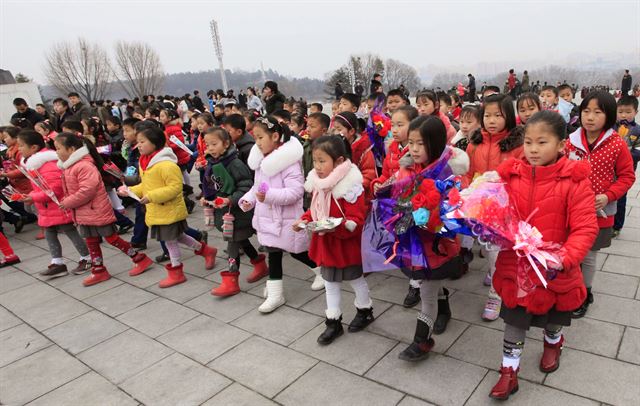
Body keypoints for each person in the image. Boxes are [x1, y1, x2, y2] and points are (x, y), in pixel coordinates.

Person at [489, 110, 599, 400]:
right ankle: (508, 371)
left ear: (562, 144)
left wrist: (565, 257)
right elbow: (496, 213)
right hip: (518, 266)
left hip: (554, 268)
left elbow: (585, 227)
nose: (533, 149)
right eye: (528, 142)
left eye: (542, 142)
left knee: (553, 318)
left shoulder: (574, 182)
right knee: (514, 320)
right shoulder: (511, 175)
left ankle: (553, 342)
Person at [394, 116, 465, 361]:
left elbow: (454, 213)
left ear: (434, 144)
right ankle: (444, 310)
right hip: (415, 242)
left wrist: (430, 216)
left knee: (426, 290)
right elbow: (397, 195)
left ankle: (421, 341)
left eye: (420, 144)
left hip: (438, 244)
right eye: (411, 143)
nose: (413, 149)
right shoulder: (406, 167)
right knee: (430, 282)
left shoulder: (446, 173)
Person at [294, 136, 373, 344]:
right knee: (330, 282)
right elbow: (314, 211)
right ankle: (333, 321)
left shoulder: (350, 186)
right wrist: (303, 220)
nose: (317, 166)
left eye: (322, 161)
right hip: (326, 243)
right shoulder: (319, 183)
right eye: (315, 161)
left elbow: (356, 219)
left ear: (338, 161)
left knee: (356, 279)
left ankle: (365, 310)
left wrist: (338, 225)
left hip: (345, 243)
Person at [118, 126, 217, 288]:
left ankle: (176, 271)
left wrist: (151, 197)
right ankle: (206, 250)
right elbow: (146, 186)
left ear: (155, 143)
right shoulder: (146, 163)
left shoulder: (166, 164)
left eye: (143, 142)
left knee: (170, 241)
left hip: (168, 209)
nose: (139, 145)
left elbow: (175, 188)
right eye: (138, 142)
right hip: (158, 209)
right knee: (178, 237)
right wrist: (129, 191)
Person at [565, 91, 636, 318]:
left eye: (598, 112)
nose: (590, 117)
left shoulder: (617, 144)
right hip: (572, 208)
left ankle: (586, 293)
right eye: (586, 111)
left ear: (609, 116)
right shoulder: (571, 141)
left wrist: (608, 195)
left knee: (589, 255)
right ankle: (572, 288)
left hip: (600, 211)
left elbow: (627, 177)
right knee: (573, 252)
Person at [239, 116, 319, 313]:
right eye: (255, 138)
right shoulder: (262, 161)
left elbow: (295, 192)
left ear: (275, 136)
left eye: (260, 138)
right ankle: (276, 293)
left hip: (287, 219)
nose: (256, 143)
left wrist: (268, 196)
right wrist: (249, 199)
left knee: (297, 251)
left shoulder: (289, 162)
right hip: (268, 218)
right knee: (273, 254)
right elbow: (258, 187)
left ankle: (321, 272)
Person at [54, 132, 153, 286]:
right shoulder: (70, 167)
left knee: (112, 238)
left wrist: (69, 202)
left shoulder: (84, 165)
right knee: (91, 241)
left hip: (96, 210)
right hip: (84, 212)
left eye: (58, 148)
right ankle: (99, 270)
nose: (56, 152)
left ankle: (140, 259)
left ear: (71, 149)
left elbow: (87, 190)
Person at [464, 93, 525, 321]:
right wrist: (468, 190)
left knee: (497, 251)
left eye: (498, 115)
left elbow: (522, 176)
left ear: (508, 116)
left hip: (505, 208)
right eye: (487, 115)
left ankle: (495, 295)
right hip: (480, 207)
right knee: (490, 249)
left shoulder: (517, 145)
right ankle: (495, 275)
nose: (491, 120)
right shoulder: (475, 142)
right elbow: (467, 173)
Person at [200, 127, 267, 296]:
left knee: (232, 244)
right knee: (241, 240)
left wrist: (230, 199)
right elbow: (211, 185)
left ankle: (231, 280)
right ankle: (259, 263)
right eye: (208, 144)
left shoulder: (234, 163)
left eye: (214, 144)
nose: (210, 148)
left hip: (237, 212)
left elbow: (246, 186)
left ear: (226, 143)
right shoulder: (212, 163)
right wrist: (206, 197)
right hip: (223, 211)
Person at [17, 130, 92, 278]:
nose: (19, 149)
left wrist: (33, 196)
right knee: (50, 232)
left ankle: (87, 257)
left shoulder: (47, 164)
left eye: (21, 145)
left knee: (69, 230)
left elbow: (54, 190)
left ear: (33, 147)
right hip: (46, 207)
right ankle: (57, 262)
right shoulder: (35, 164)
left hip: (57, 205)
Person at [332, 111, 375, 206]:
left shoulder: (364, 151)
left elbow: (369, 175)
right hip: (337, 195)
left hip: (357, 195)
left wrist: (352, 187)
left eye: (338, 129)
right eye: (333, 129)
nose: (335, 132)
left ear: (351, 131)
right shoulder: (332, 147)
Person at [613, 96, 640, 237]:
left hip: (625, 171)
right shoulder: (610, 126)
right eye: (620, 111)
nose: (624, 115)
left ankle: (617, 226)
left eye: (628, 112)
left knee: (620, 198)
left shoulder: (638, 130)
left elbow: (638, 152)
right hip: (609, 168)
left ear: (636, 111)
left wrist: (625, 152)